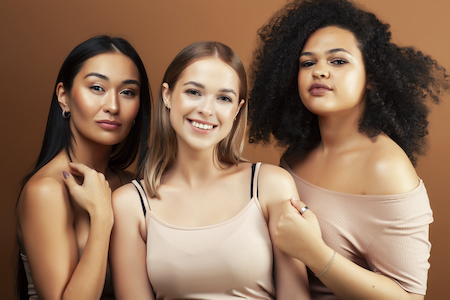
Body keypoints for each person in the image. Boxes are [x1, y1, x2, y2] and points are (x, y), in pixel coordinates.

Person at [247, 0, 449, 299]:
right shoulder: (296, 155)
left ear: (371, 78)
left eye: (338, 61)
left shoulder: (386, 168)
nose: (319, 72)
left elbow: (409, 297)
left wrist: (315, 252)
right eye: (307, 62)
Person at [110, 41, 311, 299]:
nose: (206, 110)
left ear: (237, 110)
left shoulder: (270, 184)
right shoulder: (130, 203)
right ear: (167, 95)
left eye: (224, 98)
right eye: (194, 92)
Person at [15, 35, 152, 300]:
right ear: (63, 97)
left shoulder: (133, 185)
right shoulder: (46, 191)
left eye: (127, 92)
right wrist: (102, 218)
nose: (113, 106)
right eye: (97, 88)